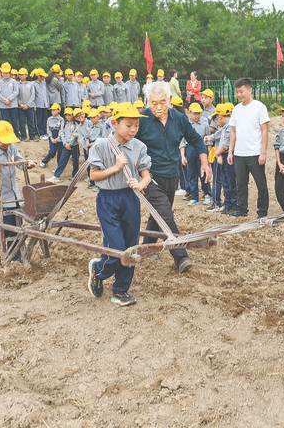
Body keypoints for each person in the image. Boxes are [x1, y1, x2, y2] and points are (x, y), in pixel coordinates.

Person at [136, 81, 211, 274]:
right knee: (166, 215)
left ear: (169, 100)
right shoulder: (141, 119)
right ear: (147, 101)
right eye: (153, 103)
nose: (158, 107)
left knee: (159, 213)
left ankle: (147, 247)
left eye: (162, 102)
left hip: (172, 175)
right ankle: (181, 256)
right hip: (149, 176)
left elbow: (195, 139)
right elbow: (129, 144)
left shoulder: (179, 118)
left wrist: (204, 162)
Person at [87, 102, 152, 307]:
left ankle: (121, 290)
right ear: (114, 123)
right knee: (116, 247)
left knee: (131, 247)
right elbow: (94, 175)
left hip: (130, 198)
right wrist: (116, 167)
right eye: (128, 125)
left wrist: (140, 183)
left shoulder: (139, 146)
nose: (133, 129)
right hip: (108, 198)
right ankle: (99, 271)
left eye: (136, 125)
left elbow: (146, 175)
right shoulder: (101, 146)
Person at [0, 120, 37, 263]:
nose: (6, 144)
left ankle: (14, 255)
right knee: (4, 226)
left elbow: (21, 162)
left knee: (17, 226)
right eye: (3, 141)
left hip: (14, 195)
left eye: (8, 141)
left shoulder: (11, 148)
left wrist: (28, 163)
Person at [227, 78, 270, 218]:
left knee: (261, 185)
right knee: (241, 184)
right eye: (237, 92)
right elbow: (233, 131)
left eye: (242, 91)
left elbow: (265, 130)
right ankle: (241, 208)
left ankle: (262, 211)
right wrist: (230, 151)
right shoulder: (236, 109)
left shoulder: (259, 107)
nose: (239, 95)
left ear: (249, 90)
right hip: (239, 153)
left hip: (255, 153)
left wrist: (263, 152)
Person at [181, 103, 211, 206]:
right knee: (191, 173)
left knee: (203, 173)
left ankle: (207, 194)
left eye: (198, 113)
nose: (196, 116)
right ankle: (194, 196)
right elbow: (182, 143)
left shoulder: (205, 125)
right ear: (189, 113)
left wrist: (209, 154)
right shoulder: (186, 126)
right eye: (194, 113)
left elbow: (208, 141)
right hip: (190, 149)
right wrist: (183, 156)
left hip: (201, 150)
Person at [48, 106, 79, 182]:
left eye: (69, 115)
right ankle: (56, 175)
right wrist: (65, 144)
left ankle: (75, 176)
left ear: (72, 115)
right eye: (66, 115)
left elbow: (75, 135)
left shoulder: (76, 124)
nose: (68, 117)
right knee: (62, 160)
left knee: (75, 161)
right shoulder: (64, 124)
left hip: (74, 145)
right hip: (65, 146)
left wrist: (70, 144)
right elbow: (62, 134)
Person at [0, 62, 19, 137]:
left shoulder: (13, 81)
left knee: (14, 121)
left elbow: (16, 92)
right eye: (4, 73)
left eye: (7, 73)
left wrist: (9, 99)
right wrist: (4, 100)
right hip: (3, 106)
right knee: (5, 121)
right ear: (2, 73)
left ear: (10, 73)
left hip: (12, 105)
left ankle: (16, 135)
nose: (6, 74)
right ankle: (6, 136)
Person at [16, 68, 36, 141]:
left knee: (31, 121)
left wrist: (27, 104)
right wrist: (20, 103)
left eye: (22, 74)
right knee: (21, 121)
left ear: (26, 75)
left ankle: (32, 135)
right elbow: (17, 95)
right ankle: (23, 136)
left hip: (29, 106)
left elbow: (33, 95)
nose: (21, 76)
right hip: (20, 106)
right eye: (20, 74)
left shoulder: (30, 84)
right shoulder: (17, 84)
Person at [39, 103, 63, 168]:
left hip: (59, 136)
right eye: (52, 110)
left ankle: (58, 167)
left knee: (59, 152)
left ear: (58, 110)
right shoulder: (49, 119)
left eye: (54, 110)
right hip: (52, 135)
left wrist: (58, 138)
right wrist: (51, 137)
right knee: (52, 152)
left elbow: (62, 129)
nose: (52, 111)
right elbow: (48, 129)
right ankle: (44, 161)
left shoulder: (61, 119)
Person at [33, 68, 50, 140]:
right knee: (39, 120)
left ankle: (45, 132)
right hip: (38, 105)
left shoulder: (44, 83)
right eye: (42, 76)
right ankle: (40, 133)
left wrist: (48, 103)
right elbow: (33, 95)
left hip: (45, 104)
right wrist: (34, 105)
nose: (44, 77)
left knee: (44, 119)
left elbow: (46, 94)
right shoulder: (33, 84)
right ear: (38, 76)